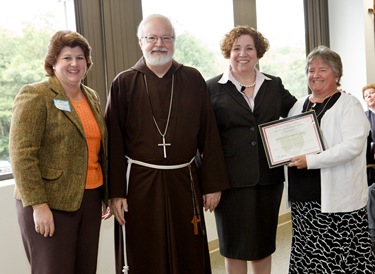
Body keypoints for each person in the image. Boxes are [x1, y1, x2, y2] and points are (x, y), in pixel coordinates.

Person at [105, 14, 230, 274]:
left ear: (174, 42)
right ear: (140, 42)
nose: (159, 43)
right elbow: (113, 141)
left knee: (188, 249)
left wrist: (213, 184)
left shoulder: (192, 78)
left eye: (166, 38)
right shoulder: (124, 82)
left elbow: (209, 133)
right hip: (139, 183)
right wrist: (115, 192)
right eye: (152, 37)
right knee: (144, 250)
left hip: (184, 180)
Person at [9, 30, 110, 274]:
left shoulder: (92, 97)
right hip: (49, 203)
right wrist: (38, 205)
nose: (74, 63)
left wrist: (104, 193)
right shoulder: (36, 95)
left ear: (87, 63)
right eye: (67, 58)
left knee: (85, 268)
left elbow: (98, 149)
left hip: (89, 198)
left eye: (80, 57)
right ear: (53, 62)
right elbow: (22, 153)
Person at [206, 26, 297, 274]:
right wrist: (210, 183)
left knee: (263, 245)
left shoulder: (274, 84)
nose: (242, 53)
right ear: (228, 52)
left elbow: (297, 114)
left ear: (258, 53)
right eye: (236, 48)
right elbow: (205, 139)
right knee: (233, 246)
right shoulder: (211, 88)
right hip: (230, 183)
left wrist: (330, 100)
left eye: (249, 48)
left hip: (268, 180)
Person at [286, 45, 375, 273]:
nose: (314, 75)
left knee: (341, 259)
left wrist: (311, 160)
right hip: (304, 200)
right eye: (310, 70)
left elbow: (352, 147)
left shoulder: (349, 104)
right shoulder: (299, 105)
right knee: (309, 256)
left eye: (322, 69)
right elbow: (286, 139)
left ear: (336, 74)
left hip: (338, 201)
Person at [363, 83, 375, 248]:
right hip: (370, 163)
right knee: (370, 191)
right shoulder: (364, 117)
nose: (370, 96)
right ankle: (371, 233)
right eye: (366, 95)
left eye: (372, 93)